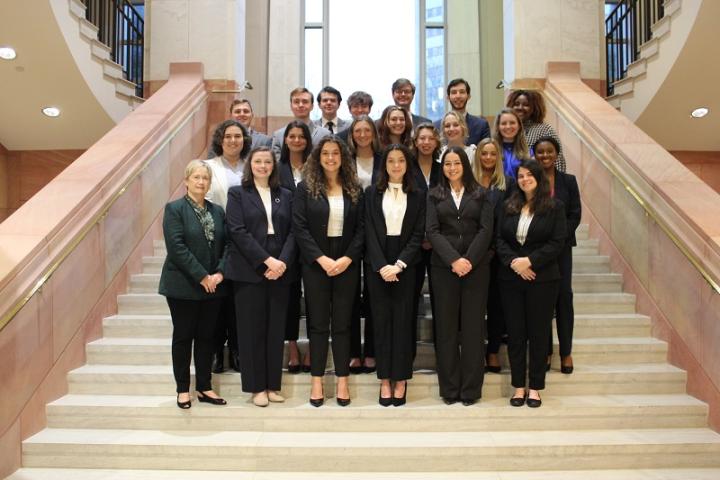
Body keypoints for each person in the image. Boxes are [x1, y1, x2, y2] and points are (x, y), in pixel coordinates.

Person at [292, 136, 364, 407]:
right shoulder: (305, 188)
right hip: (315, 265)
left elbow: (362, 229)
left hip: (346, 263)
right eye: (326, 154)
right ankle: (317, 380)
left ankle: (343, 379)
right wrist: (320, 259)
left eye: (336, 153)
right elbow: (300, 227)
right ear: (318, 158)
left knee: (344, 325)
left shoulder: (355, 187)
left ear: (343, 157)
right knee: (318, 324)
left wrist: (347, 258)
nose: (331, 158)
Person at [225, 147, 297, 407]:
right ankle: (256, 388)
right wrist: (266, 261)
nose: (263, 166)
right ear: (250, 165)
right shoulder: (237, 194)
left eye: (268, 162)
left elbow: (293, 231)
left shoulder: (286, 195)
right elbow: (237, 230)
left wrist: (282, 263)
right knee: (251, 330)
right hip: (249, 270)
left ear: (274, 165)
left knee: (275, 330)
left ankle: (272, 385)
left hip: (280, 270)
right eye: (258, 161)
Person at [496, 159, 566, 408]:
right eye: (521, 175)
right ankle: (518, 386)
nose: (525, 179)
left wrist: (530, 262)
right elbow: (499, 239)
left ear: (539, 178)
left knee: (538, 334)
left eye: (529, 175)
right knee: (515, 334)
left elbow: (557, 242)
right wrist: (515, 262)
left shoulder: (554, 207)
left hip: (543, 279)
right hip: (511, 278)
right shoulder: (509, 205)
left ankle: (535, 387)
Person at [158, 160, 229, 409]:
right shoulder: (174, 209)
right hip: (183, 286)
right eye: (196, 177)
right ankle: (182, 389)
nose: (201, 182)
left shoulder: (218, 211)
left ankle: (205, 387)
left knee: (207, 338)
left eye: (205, 178)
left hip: (214, 286)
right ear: (186, 181)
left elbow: (228, 245)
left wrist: (219, 274)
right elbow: (177, 247)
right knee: (183, 337)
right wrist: (202, 276)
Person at [427, 147, 493, 406]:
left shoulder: (481, 194)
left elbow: (486, 230)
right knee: (446, 330)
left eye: (456, 163)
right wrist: (454, 259)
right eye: (447, 164)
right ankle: (450, 388)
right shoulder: (434, 195)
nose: (452, 168)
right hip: (444, 269)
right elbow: (432, 231)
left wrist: (468, 260)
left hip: (476, 269)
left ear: (465, 165)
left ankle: (471, 390)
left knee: (473, 329)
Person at [365, 144, 425, 406]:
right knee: (381, 321)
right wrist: (381, 265)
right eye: (391, 161)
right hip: (378, 262)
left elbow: (418, 234)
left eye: (401, 161)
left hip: (406, 263)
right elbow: (367, 230)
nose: (396, 165)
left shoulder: (418, 195)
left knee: (403, 321)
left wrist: (399, 264)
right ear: (384, 165)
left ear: (407, 165)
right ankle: (384, 380)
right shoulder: (371, 193)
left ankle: (400, 379)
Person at [205, 120, 252, 373]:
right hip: (217, 239)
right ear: (220, 140)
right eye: (228, 136)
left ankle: (237, 350)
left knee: (238, 302)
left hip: (246, 241)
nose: (233, 141)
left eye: (238, 136)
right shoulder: (208, 167)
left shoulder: (251, 166)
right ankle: (215, 351)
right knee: (217, 300)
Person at [534, 136, 581, 374]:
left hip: (561, 250)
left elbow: (575, 214)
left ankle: (566, 352)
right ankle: (545, 351)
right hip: (538, 251)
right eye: (540, 152)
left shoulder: (568, 181)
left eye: (549, 152)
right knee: (543, 302)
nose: (544, 156)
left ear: (556, 154)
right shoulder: (530, 181)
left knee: (564, 298)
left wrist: (558, 237)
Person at [472, 138, 516, 373]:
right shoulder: (468, 183)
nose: (488, 158)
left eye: (492, 154)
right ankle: (475, 350)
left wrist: (493, 249)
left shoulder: (507, 184)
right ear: (478, 156)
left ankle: (493, 352)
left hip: (498, 254)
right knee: (475, 307)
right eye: (484, 154)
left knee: (496, 306)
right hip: (473, 253)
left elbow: (508, 218)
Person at [346, 115, 383, 374]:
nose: (362, 134)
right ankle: (352, 352)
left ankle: (370, 350)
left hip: (378, 233)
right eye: (357, 130)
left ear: (374, 132)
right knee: (348, 296)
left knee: (373, 296)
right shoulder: (345, 160)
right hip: (348, 231)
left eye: (366, 130)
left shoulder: (384, 159)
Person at [277, 121, 314, 374]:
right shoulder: (277, 169)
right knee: (289, 297)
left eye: (301, 136)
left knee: (314, 298)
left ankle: (313, 347)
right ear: (285, 140)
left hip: (313, 241)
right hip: (285, 241)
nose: (297, 140)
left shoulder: (316, 167)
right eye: (292, 136)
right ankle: (292, 347)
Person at [508, 90, 566, 172]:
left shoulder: (545, 130)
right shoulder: (507, 130)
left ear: (535, 108)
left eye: (526, 105)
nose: (520, 107)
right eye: (516, 104)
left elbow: (558, 162)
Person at [272, 87, 331, 157]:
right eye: (296, 102)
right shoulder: (279, 135)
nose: (300, 105)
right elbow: (277, 164)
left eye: (305, 102)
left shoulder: (325, 134)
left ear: (312, 106)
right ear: (291, 106)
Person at [207, 99, 272, 158]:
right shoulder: (220, 138)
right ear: (230, 116)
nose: (242, 114)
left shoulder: (265, 141)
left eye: (246, 111)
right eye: (237, 112)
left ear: (252, 115)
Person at [434, 78, 490, 146]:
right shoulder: (436, 127)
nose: (458, 96)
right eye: (454, 92)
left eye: (462, 92)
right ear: (448, 97)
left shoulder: (481, 126)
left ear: (468, 96)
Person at [492, 108, 531, 180]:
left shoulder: (529, 152)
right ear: (498, 127)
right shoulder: (491, 150)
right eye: (504, 123)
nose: (508, 126)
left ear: (519, 126)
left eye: (512, 123)